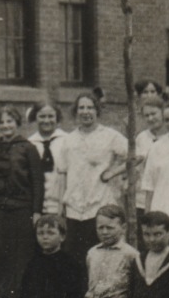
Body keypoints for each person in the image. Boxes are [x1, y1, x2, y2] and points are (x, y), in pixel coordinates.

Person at [0, 106, 46, 298]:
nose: (6, 125)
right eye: (2, 122)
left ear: (17, 123)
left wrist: (36, 211)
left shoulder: (28, 148)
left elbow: (38, 181)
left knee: (20, 255)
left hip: (21, 207)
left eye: (9, 121)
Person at [49, 93, 127, 260]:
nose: (86, 111)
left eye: (90, 107)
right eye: (81, 108)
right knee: (74, 258)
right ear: (76, 111)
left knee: (99, 255)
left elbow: (137, 156)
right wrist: (60, 208)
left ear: (97, 110)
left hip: (100, 207)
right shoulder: (69, 140)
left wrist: (112, 173)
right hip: (74, 209)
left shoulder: (110, 136)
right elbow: (62, 173)